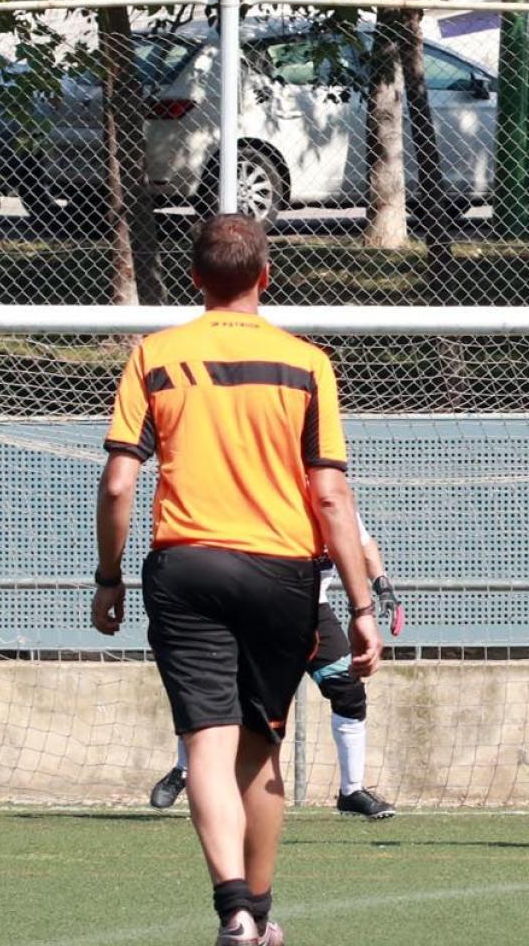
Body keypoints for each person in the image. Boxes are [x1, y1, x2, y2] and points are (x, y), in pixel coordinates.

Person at [92, 213, 381, 946]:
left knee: (207, 747)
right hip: (282, 574)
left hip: (185, 568)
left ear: (194, 278)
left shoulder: (155, 354)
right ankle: (259, 905)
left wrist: (108, 575)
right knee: (262, 747)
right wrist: (362, 604)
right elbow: (329, 496)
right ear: (266, 276)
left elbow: (121, 483)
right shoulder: (308, 363)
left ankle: (234, 912)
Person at [150, 513, 405, 820]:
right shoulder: (264, 492)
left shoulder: (330, 494)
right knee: (220, 689)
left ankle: (351, 791)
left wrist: (382, 585)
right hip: (257, 604)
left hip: (311, 610)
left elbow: (361, 542)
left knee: (348, 690)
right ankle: (185, 769)